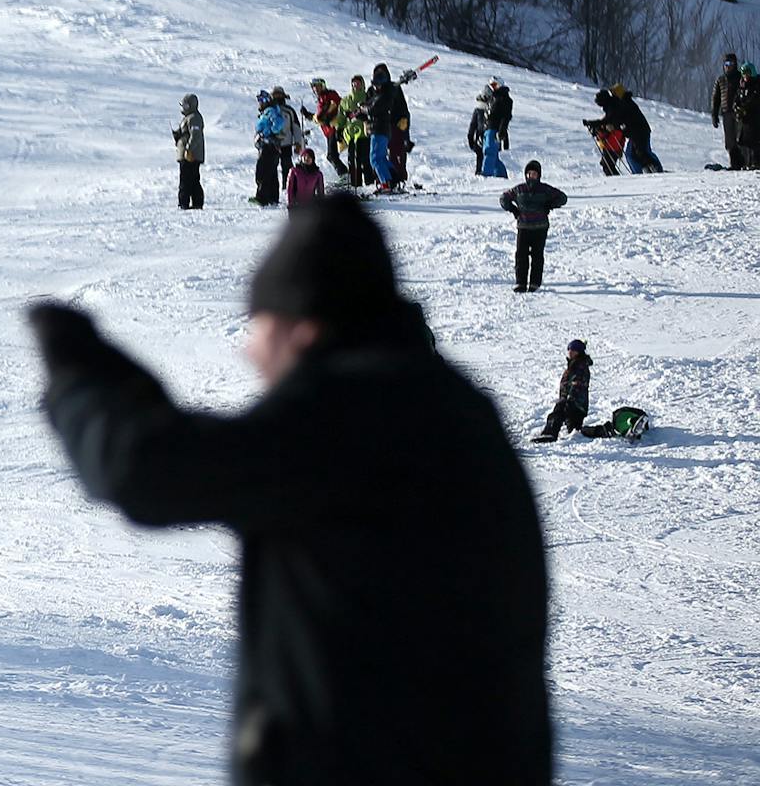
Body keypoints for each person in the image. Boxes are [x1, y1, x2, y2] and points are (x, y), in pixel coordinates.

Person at [28, 196, 550, 785]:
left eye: (260, 326)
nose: (248, 350)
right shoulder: (445, 405)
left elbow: (145, 468)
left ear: (303, 325)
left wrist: (75, 373)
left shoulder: (353, 411)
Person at [500, 160, 568, 293]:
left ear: (539, 175)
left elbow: (563, 198)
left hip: (540, 228)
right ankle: (520, 283)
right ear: (526, 175)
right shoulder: (520, 189)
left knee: (537, 256)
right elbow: (503, 199)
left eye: (534, 174)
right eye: (529, 174)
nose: (532, 176)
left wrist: (549, 205)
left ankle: (535, 283)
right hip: (523, 227)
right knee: (521, 255)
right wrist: (514, 210)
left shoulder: (545, 189)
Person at [532, 340, 592, 442]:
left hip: (576, 404)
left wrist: (568, 399)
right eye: (569, 349)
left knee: (559, 410)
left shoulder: (580, 367)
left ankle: (550, 433)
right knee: (574, 431)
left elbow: (578, 385)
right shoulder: (573, 366)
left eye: (573, 350)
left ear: (579, 352)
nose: (570, 352)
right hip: (576, 405)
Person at [364, 63, 407, 192]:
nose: (376, 86)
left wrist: (365, 110)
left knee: (375, 159)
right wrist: (360, 111)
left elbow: (374, 108)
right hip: (376, 128)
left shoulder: (387, 93)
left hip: (380, 128)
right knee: (381, 157)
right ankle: (394, 180)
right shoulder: (374, 92)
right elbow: (367, 106)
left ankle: (386, 183)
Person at [600, 85, 661, 173]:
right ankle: (642, 170)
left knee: (640, 152)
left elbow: (622, 118)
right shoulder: (624, 102)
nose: (613, 95)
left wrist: (615, 125)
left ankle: (651, 168)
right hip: (636, 132)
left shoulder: (625, 103)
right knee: (633, 154)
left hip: (639, 131)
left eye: (614, 93)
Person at [252, 89, 287, 207]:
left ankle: (262, 197)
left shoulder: (270, 111)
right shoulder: (267, 112)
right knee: (271, 172)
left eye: (261, 100)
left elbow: (278, 124)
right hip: (268, 145)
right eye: (258, 100)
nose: (259, 103)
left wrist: (267, 133)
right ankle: (272, 198)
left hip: (269, 145)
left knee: (262, 171)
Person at [710, 53, 743, 168]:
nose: (728, 66)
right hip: (726, 112)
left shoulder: (740, 77)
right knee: (730, 141)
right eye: (726, 64)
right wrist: (714, 115)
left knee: (740, 138)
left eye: (730, 64)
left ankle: (742, 163)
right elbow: (715, 98)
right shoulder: (721, 80)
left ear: (735, 64)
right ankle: (734, 164)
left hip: (738, 113)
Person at [173, 95, 205, 210]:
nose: (184, 108)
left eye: (186, 105)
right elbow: (187, 133)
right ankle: (194, 203)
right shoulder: (188, 117)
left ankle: (185, 203)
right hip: (186, 154)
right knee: (191, 179)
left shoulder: (194, 117)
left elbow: (195, 135)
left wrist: (188, 149)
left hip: (191, 155)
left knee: (187, 180)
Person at [338, 74, 369, 187]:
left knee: (364, 159)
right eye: (354, 83)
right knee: (352, 160)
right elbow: (341, 115)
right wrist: (339, 129)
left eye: (358, 83)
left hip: (364, 133)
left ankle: (369, 182)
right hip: (350, 134)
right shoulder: (346, 100)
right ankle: (355, 184)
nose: (356, 85)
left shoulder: (367, 97)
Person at [307, 78, 342, 176]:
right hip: (328, 130)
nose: (316, 89)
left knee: (332, 155)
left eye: (317, 86)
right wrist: (309, 115)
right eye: (314, 87)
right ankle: (344, 175)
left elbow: (338, 104)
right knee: (331, 155)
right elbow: (319, 117)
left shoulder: (329, 95)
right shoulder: (321, 99)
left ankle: (344, 175)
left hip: (334, 128)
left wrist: (329, 114)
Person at [482, 78, 513, 179]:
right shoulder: (492, 98)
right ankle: (501, 176)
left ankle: (486, 174)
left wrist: (501, 131)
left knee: (489, 151)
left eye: (495, 85)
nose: (492, 87)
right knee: (493, 156)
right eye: (491, 85)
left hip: (495, 129)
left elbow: (506, 117)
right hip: (488, 128)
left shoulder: (504, 99)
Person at [285, 146, 325, 210]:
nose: (306, 158)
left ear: (313, 159)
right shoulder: (294, 171)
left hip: (310, 206)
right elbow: (289, 189)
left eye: (309, 157)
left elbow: (320, 192)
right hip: (296, 206)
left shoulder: (317, 174)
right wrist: (290, 203)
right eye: (304, 156)